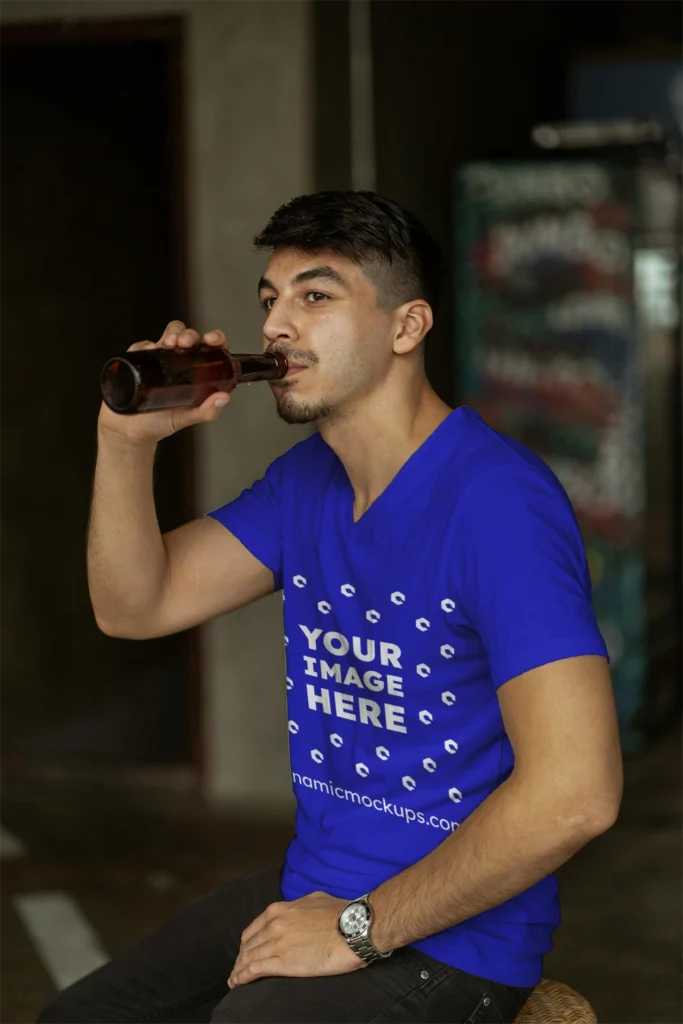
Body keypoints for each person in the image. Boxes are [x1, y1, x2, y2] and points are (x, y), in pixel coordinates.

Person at [42, 191, 623, 1024]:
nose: (277, 325)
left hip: (450, 942)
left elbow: (576, 792)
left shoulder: (496, 504)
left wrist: (359, 929)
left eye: (316, 296)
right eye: (269, 300)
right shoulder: (304, 484)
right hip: (311, 885)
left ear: (406, 326)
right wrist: (125, 444)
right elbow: (137, 606)